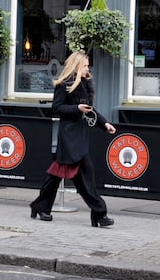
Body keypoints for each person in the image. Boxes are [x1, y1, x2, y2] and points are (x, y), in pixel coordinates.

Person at [29, 51, 117, 227]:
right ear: (76, 66)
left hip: (80, 135)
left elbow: (89, 110)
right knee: (86, 172)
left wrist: (104, 124)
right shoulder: (64, 84)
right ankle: (99, 213)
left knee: (55, 175)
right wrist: (76, 108)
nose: (87, 68)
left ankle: (40, 206)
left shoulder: (85, 84)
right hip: (69, 137)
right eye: (85, 65)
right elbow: (56, 108)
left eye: (87, 65)